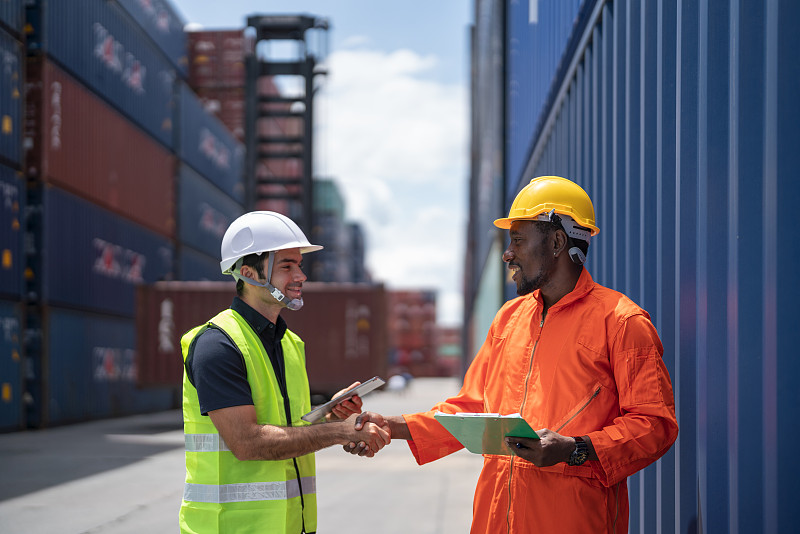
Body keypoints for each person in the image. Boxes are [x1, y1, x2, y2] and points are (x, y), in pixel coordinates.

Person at [349, 176, 679, 533]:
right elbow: (471, 410)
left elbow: (654, 425)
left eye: (518, 240)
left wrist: (574, 449)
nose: (508, 253)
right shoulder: (509, 318)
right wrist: (392, 425)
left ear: (557, 242)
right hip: (495, 521)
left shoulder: (621, 322)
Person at [179, 211, 390, 534]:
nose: (301, 276)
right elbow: (247, 442)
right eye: (286, 266)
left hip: (291, 526)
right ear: (248, 273)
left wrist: (328, 416)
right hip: (232, 528)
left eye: (299, 265)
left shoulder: (289, 343)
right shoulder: (217, 345)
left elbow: (286, 429)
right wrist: (341, 432)